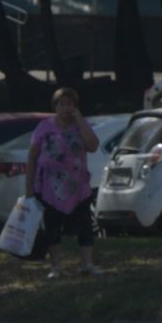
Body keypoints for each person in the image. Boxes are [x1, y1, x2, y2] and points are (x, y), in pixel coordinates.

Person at [26, 88, 101, 277]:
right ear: (55, 107)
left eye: (69, 104)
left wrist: (80, 121)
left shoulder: (80, 126)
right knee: (52, 227)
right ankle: (56, 266)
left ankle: (87, 264)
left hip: (78, 186)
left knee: (84, 225)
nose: (65, 108)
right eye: (62, 104)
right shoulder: (44, 127)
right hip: (49, 186)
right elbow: (32, 157)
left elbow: (93, 145)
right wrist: (29, 187)